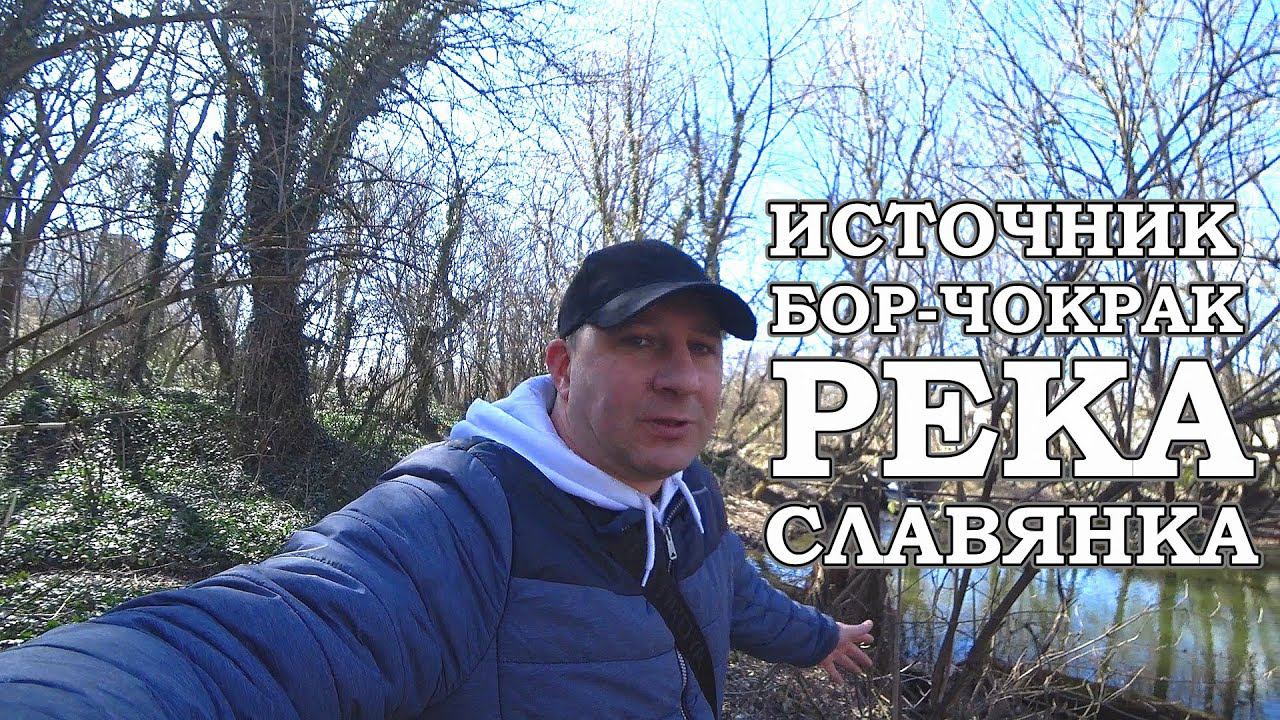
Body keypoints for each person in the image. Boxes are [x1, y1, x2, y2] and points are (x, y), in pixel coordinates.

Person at [0, 240, 873, 719]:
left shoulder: (692, 495)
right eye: (641, 342)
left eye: (702, 349)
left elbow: (730, 590)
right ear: (564, 366)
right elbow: (263, 638)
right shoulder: (465, 514)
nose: (681, 377)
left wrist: (818, 636)